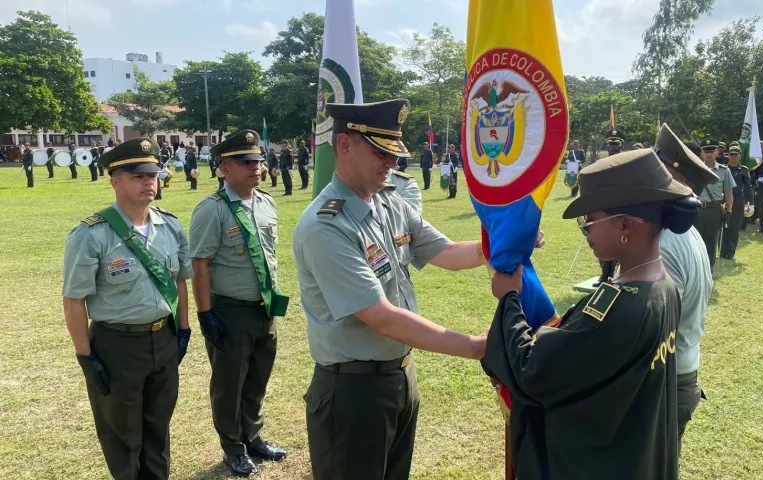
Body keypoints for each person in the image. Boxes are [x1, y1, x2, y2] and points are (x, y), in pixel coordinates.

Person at [294, 99, 496, 480]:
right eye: (379, 151)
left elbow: (448, 253)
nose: (391, 162)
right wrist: (473, 346)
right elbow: (382, 318)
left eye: (394, 152)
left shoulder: (391, 202)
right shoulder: (326, 226)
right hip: (353, 390)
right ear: (344, 146)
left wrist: (502, 243)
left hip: (400, 377)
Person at [483, 148, 697, 479]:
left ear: (626, 224)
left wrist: (509, 297)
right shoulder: (664, 286)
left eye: (591, 221)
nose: (587, 231)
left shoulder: (618, 307)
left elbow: (532, 370)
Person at [62, 138, 193, 480]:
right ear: (114, 180)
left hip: (162, 339)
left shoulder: (171, 227)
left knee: (158, 426)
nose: (149, 181)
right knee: (122, 433)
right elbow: (74, 300)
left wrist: (184, 329)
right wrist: (85, 357)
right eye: (137, 175)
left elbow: (179, 282)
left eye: (152, 174)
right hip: (117, 345)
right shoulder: (92, 234)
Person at [190, 129, 289, 477]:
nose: (256, 168)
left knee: (257, 378)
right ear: (223, 168)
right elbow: (199, 265)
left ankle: (253, 436)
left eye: (259, 161)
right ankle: (233, 447)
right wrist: (206, 315)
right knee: (229, 384)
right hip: (229, 311)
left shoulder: (266, 202)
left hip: (265, 308)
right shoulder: (211, 210)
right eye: (246, 162)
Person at [653, 123, 717, 452]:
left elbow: (652, 326)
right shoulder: (684, 231)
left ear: (670, 176)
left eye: (653, 167)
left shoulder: (663, 240)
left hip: (664, 379)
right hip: (679, 373)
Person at [694, 138, 734, 269]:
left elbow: (728, 193)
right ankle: (698, 270)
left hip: (715, 210)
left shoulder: (724, 171)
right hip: (697, 209)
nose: (709, 154)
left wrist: (729, 211)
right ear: (701, 154)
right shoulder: (695, 170)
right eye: (706, 151)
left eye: (711, 151)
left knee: (711, 242)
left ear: (717, 152)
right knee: (696, 241)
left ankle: (709, 270)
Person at [597, 128, 626, 284]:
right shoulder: (600, 164)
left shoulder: (626, 164)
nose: (612, 147)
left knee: (619, 241)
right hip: (603, 209)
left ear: (621, 146)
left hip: (620, 208)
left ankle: (615, 275)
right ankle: (604, 274)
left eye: (616, 144)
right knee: (602, 240)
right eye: (610, 144)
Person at [720, 146, 753, 260]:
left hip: (738, 201)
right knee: (723, 226)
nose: (733, 157)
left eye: (736, 154)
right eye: (731, 154)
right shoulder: (723, 169)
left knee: (734, 227)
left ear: (740, 156)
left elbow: (748, 187)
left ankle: (731, 252)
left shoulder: (744, 170)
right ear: (728, 155)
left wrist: (750, 203)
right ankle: (721, 251)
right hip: (724, 200)